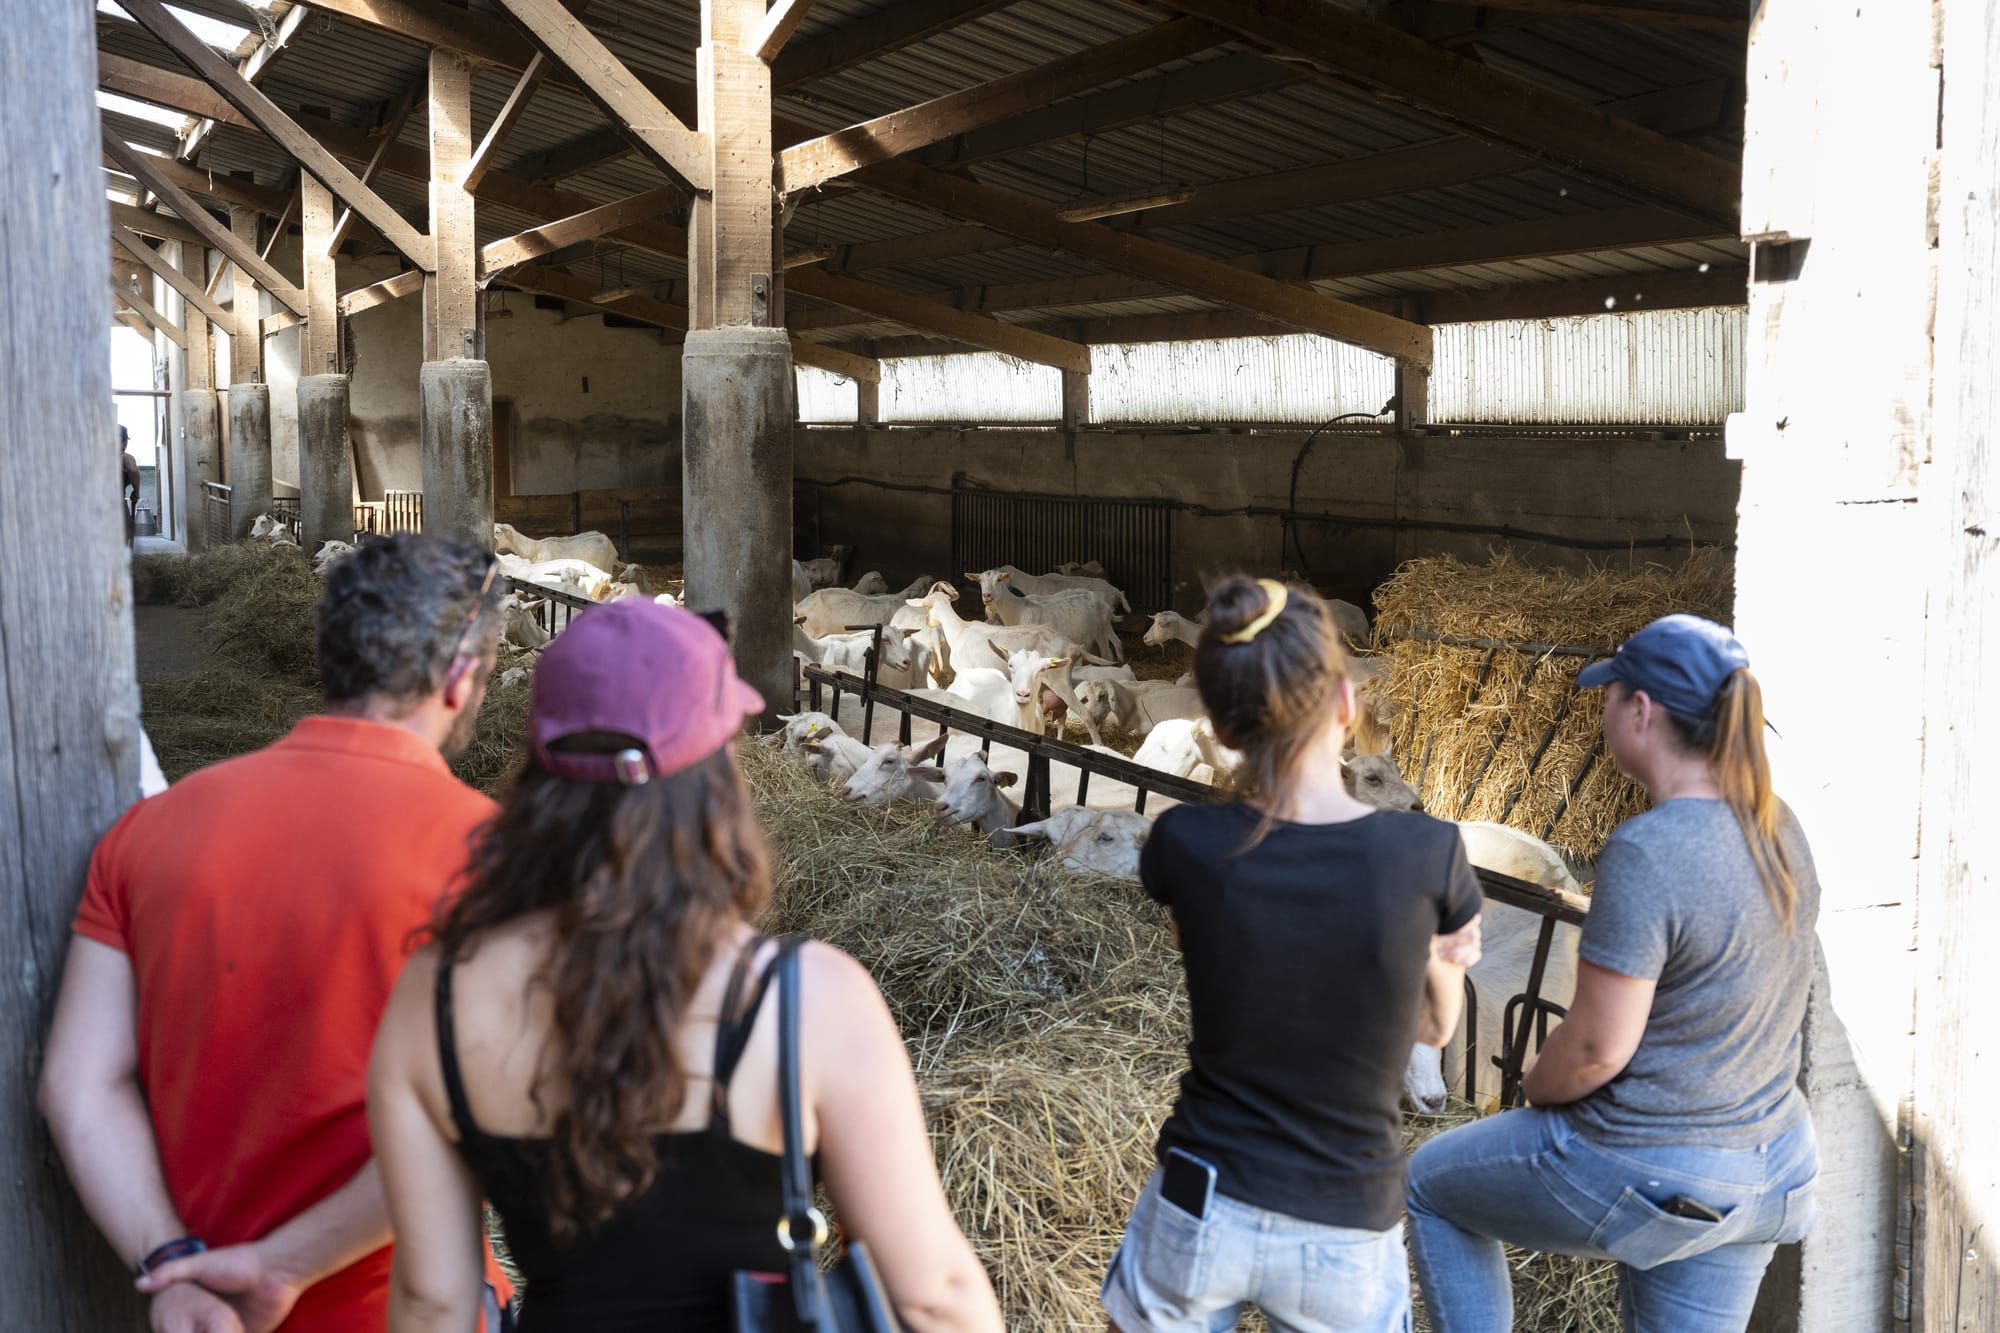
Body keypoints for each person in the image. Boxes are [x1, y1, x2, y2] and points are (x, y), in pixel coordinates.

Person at [367, 597, 1004, 1333]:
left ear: (540, 768)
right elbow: (933, 1296)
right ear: (719, 771)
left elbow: (432, 1301)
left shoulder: (440, 996)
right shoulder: (808, 999)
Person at [40, 533, 513, 1333]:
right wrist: (283, 1266)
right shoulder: (495, 857)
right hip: (405, 1306)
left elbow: (78, 1085)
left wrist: (168, 1263)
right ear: (463, 676)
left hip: (202, 1310)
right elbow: (481, 1120)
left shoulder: (149, 833)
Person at [1405, 615, 1821, 1333]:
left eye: (1608, 695)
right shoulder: (1780, 826)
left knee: (1429, 1183)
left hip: (1650, 1165)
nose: (1599, 713)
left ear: (1642, 710)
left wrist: (1534, 1089)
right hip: (1773, 1168)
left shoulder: (1647, 849)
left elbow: (1597, 1047)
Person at [1102, 576, 1484, 1333]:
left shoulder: (1184, 842)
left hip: (1201, 1193)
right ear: (1347, 704)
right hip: (1346, 1212)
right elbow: (1436, 1030)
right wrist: (1447, 955)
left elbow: (1201, 944)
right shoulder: (1429, 852)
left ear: (1219, 726)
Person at [121, 423, 141, 545]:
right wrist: (136, 491)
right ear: (124, 440)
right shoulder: (125, 457)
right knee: (124, 533)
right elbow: (133, 470)